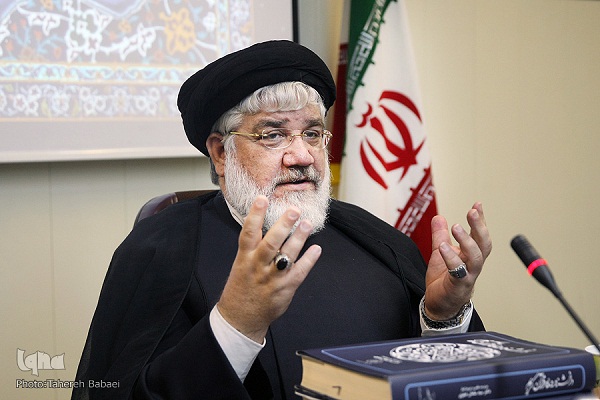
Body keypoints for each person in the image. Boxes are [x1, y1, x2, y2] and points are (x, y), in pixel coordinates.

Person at [72, 40, 491, 400]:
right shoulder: (162, 248)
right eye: (272, 135)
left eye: (312, 133)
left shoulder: (377, 240)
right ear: (220, 153)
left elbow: (443, 383)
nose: (302, 156)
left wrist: (442, 319)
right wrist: (237, 321)